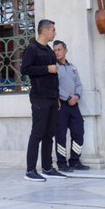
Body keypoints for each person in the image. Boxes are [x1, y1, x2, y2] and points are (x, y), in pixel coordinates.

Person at [21, 19, 65, 182]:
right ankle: (30, 170)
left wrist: (57, 97)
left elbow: (54, 76)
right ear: (44, 31)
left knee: (49, 134)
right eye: (53, 30)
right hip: (39, 98)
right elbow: (25, 69)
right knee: (37, 133)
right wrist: (47, 69)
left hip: (53, 98)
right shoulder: (32, 49)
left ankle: (47, 168)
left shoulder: (49, 51)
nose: (55, 33)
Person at [53, 40, 89, 172]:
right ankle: (62, 163)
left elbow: (79, 84)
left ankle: (75, 161)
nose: (57, 52)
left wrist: (77, 97)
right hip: (61, 105)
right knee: (61, 135)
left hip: (74, 105)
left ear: (65, 51)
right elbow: (55, 87)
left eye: (59, 49)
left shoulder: (73, 67)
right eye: (55, 50)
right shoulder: (54, 68)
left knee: (79, 132)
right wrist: (68, 98)